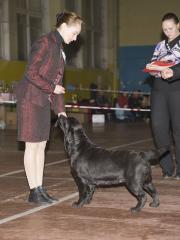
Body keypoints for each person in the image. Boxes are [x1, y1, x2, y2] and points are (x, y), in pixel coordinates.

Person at [15, 11, 83, 204]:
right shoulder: (45, 42)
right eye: (75, 33)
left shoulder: (60, 48)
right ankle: (33, 190)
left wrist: (60, 110)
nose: (76, 37)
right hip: (30, 99)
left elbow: (59, 83)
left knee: (42, 145)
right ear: (64, 27)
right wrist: (52, 88)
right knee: (32, 145)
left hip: (44, 102)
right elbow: (31, 72)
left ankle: (39, 188)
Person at [146, 12, 180, 179]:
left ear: (178, 25)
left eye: (171, 28)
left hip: (177, 89)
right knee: (159, 129)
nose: (168, 32)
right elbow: (153, 64)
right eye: (165, 29)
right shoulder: (159, 46)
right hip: (159, 90)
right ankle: (167, 169)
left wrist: (172, 72)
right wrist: (152, 69)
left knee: (178, 130)